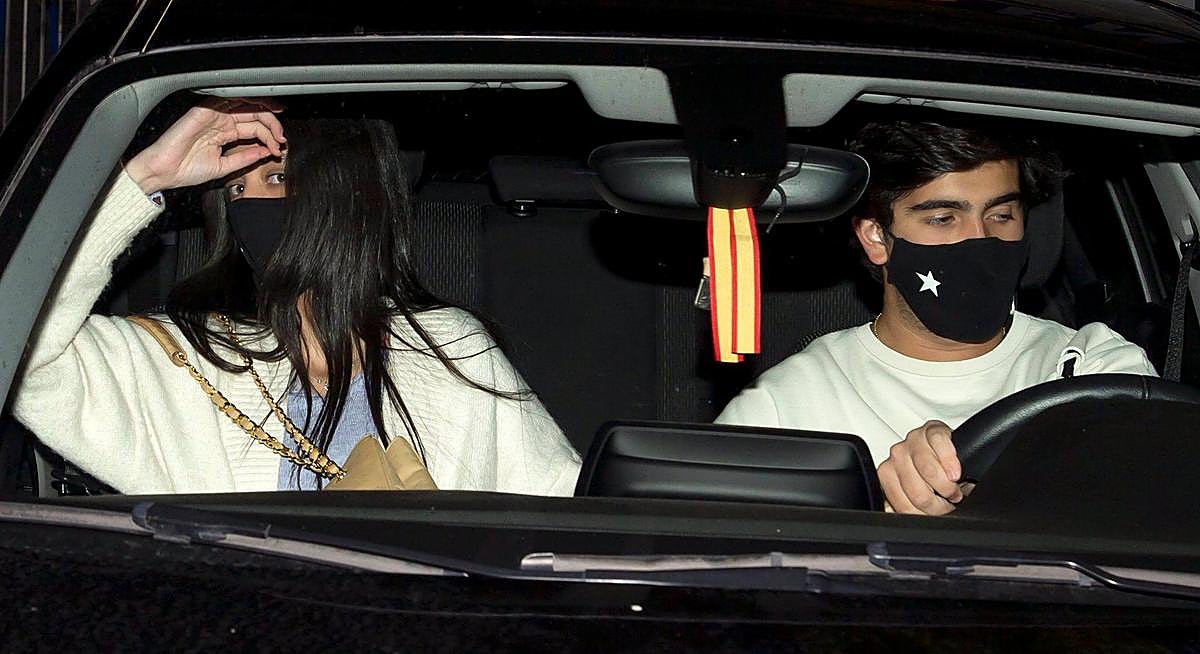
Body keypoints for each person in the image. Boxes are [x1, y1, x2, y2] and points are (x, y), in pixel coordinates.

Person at [11, 98, 581, 495]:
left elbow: (560, 502)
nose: (250, 206)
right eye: (236, 188)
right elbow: (21, 356)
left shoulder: (449, 347)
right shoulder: (190, 360)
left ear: (345, 190)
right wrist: (144, 178)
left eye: (278, 177)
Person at [716, 120, 1156, 516]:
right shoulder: (786, 407)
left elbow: (1150, 513)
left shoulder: (1091, 367)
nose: (980, 239)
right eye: (944, 219)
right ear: (876, 237)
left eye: (1001, 215)